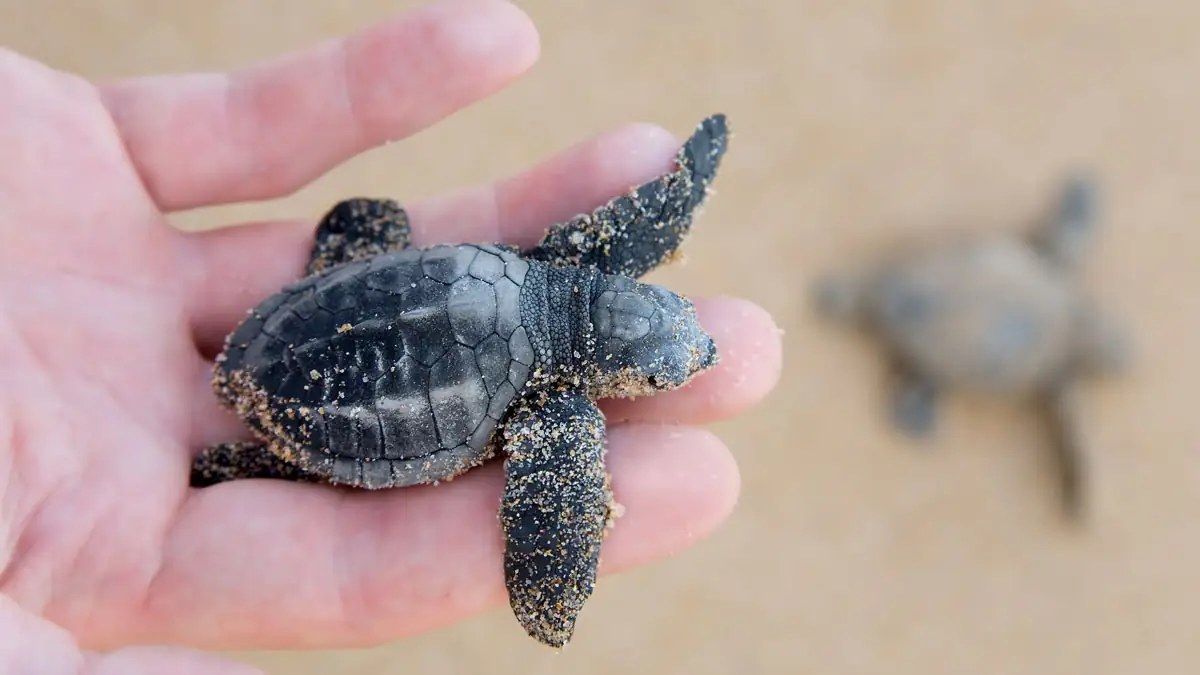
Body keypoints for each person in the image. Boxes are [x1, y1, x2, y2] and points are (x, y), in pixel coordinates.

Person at [0, 0, 782, 671]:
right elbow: (556, 519)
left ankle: (259, 432)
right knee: (322, 446)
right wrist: (551, 589)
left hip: (300, 318)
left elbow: (642, 225)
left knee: (374, 227)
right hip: (323, 401)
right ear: (614, 371)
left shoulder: (567, 264)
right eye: (657, 376)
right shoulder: (562, 420)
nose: (691, 365)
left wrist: (687, 181)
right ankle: (244, 458)